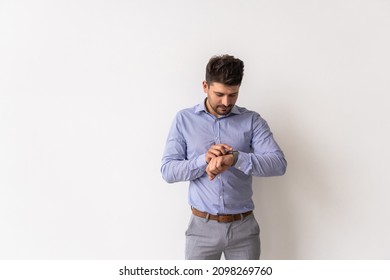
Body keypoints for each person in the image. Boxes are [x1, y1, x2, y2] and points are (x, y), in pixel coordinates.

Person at [161, 54, 287, 260]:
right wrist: (204, 160)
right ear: (205, 86)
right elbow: (168, 171)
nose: (226, 102)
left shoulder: (252, 121)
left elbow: (278, 164)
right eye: (219, 94)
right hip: (201, 229)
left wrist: (235, 158)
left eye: (233, 95)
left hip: (244, 230)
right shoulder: (184, 120)